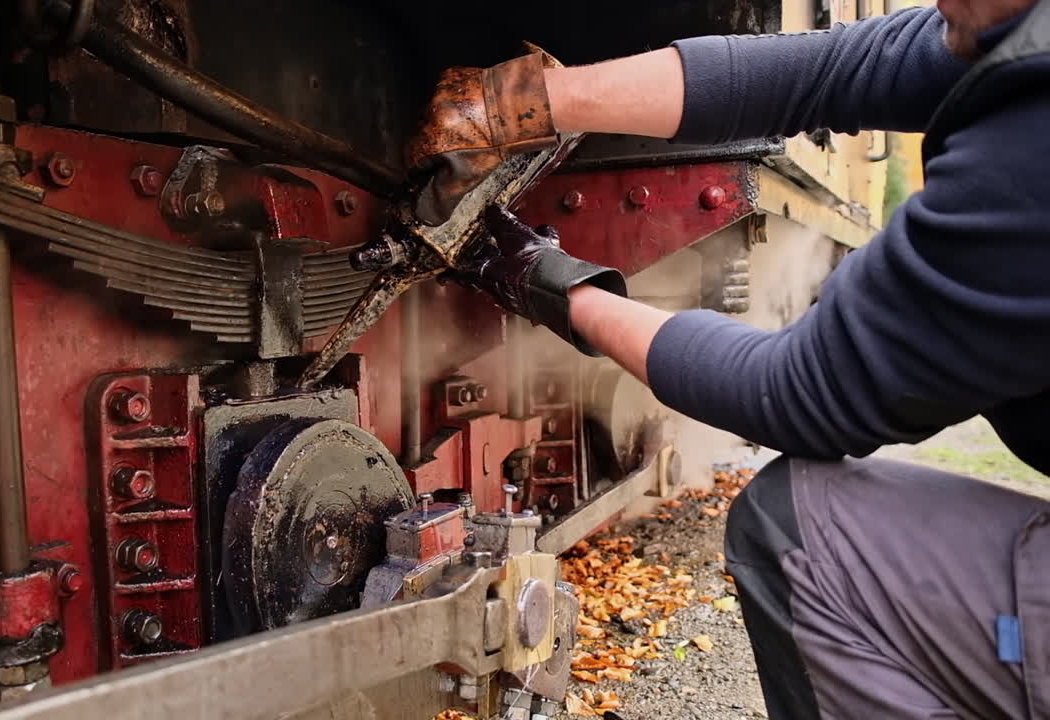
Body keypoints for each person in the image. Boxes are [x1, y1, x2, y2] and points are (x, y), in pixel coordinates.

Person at [407, 0, 1050, 717]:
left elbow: (797, 392)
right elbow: (827, 69)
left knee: (792, 528)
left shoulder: (1035, 141)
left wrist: (550, 281)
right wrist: (519, 103)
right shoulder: (1012, 30)